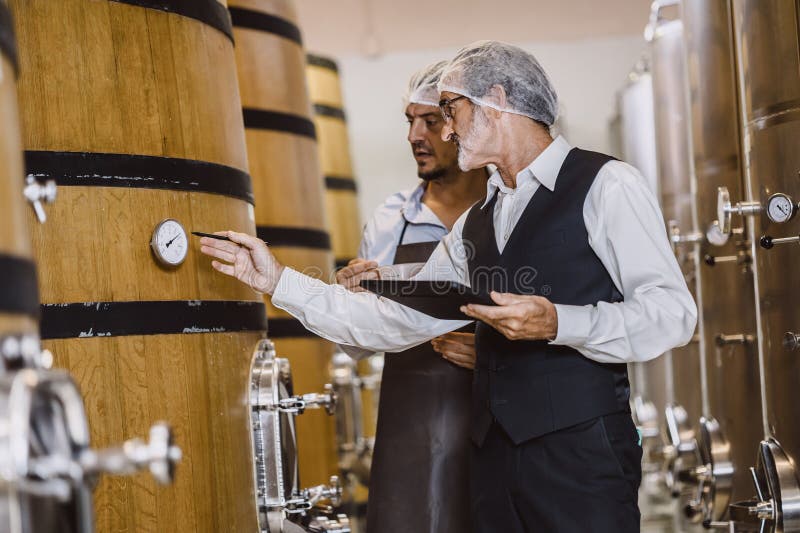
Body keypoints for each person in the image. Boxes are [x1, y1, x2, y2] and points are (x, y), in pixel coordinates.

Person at [200, 40, 697, 533]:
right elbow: (392, 322)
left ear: (497, 100)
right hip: (491, 463)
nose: (447, 128)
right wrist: (277, 280)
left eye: (450, 110)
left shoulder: (608, 184)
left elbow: (673, 314)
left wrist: (559, 322)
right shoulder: (475, 224)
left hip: (582, 459)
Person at [335, 60, 487, 533]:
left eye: (431, 121)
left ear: (465, 124)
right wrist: (349, 300)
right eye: (409, 121)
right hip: (411, 431)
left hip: (498, 424)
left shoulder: (508, 211)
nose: (414, 136)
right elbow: (356, 345)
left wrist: (499, 351)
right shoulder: (389, 220)